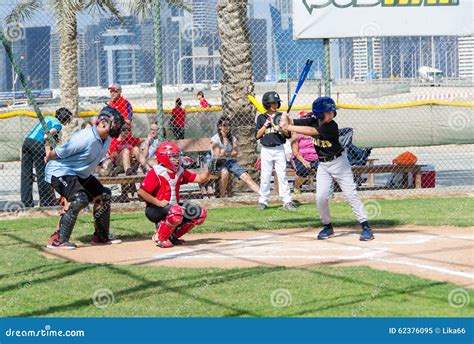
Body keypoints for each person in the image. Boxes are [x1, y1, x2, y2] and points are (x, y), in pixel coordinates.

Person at [279, 97, 374, 241]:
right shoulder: (313, 120)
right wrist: (285, 119)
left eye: (332, 112)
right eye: (328, 112)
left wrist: (287, 126)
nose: (331, 115)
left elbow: (310, 131)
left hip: (339, 163)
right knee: (321, 198)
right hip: (323, 165)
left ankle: (366, 227)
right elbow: (295, 122)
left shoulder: (331, 126)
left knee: (350, 194)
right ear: (319, 114)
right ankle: (327, 226)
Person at [44, 106, 126, 249]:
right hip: (60, 171)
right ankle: (58, 239)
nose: (118, 127)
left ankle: (101, 235)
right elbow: (56, 154)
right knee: (79, 198)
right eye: (116, 123)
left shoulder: (106, 139)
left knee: (104, 195)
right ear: (103, 122)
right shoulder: (85, 137)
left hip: (80, 174)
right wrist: (48, 149)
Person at [137, 142, 217, 248]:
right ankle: (160, 238)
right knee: (176, 211)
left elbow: (200, 178)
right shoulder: (156, 172)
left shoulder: (180, 171)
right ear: (164, 157)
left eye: (177, 156)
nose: (177, 159)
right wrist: (159, 203)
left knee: (199, 214)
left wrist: (210, 171)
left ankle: (172, 236)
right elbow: (141, 193)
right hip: (154, 209)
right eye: (172, 157)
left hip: (172, 208)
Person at [20, 107, 72, 208]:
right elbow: (46, 136)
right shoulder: (57, 125)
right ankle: (45, 202)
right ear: (65, 119)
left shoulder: (48, 117)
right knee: (42, 174)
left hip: (27, 142)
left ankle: (26, 203)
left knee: (26, 174)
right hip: (38, 144)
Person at [255, 91, 295, 211]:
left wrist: (281, 129)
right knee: (265, 175)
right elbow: (257, 135)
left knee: (282, 174)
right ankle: (263, 201)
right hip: (266, 149)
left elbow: (288, 135)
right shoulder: (261, 117)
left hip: (279, 149)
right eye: (273, 102)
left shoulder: (281, 116)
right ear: (267, 104)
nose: (275, 104)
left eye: (277, 102)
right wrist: (265, 125)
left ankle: (287, 201)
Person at [211, 116, 260, 197]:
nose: (227, 127)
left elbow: (235, 152)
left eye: (229, 125)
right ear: (219, 127)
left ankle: (262, 194)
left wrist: (225, 153)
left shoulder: (232, 138)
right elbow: (217, 155)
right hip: (218, 162)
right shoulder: (215, 139)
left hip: (230, 162)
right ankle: (222, 197)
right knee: (225, 172)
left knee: (246, 176)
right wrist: (228, 153)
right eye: (225, 125)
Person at [290, 111, 319, 194]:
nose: (308, 118)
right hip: (300, 157)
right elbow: (295, 152)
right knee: (303, 169)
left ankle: (323, 190)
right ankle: (296, 186)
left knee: (324, 168)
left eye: (309, 116)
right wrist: (304, 161)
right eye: (305, 117)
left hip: (315, 157)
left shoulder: (313, 130)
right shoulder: (295, 132)